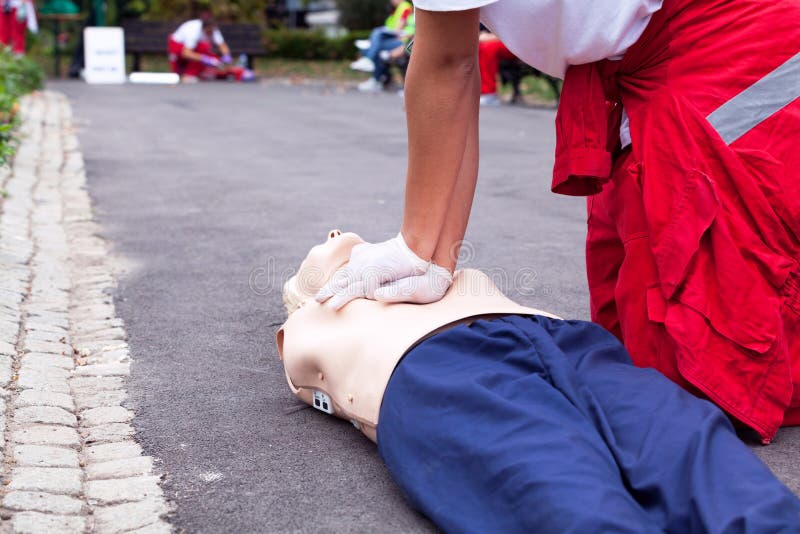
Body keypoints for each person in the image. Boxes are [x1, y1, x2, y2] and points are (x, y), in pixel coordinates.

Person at [316, 0, 800, 444]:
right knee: (634, 352)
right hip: (644, 58)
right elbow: (452, 60)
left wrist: (414, 248)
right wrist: (433, 258)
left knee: (702, 362)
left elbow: (449, 66)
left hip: (732, 35)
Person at [279, 230, 800, 532]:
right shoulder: (311, 324)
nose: (340, 236)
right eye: (330, 246)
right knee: (570, 500)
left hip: (565, 341)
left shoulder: (428, 262)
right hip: (440, 370)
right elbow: (309, 375)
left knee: (695, 450)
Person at [167, 15, 254, 83]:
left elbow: (222, 45)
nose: (211, 34)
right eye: (209, 31)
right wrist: (205, 59)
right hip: (178, 49)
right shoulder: (193, 30)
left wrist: (226, 56)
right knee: (204, 48)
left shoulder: (213, 29)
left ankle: (236, 72)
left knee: (214, 58)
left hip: (193, 51)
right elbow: (185, 53)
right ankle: (189, 75)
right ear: (204, 28)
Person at [350, 0, 414, 92]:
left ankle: (374, 73)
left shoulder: (405, 7)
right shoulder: (396, 10)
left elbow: (399, 27)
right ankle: (377, 77)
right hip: (394, 40)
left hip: (401, 41)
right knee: (373, 47)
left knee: (376, 35)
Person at [477, 31, 514, 106]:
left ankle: (489, 93)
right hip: (488, 39)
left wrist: (492, 37)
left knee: (487, 47)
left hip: (515, 43)